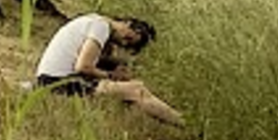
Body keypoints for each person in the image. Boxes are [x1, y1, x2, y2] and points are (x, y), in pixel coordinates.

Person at [32, 13, 185, 126]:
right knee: (136, 90)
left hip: (52, 78)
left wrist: (115, 69)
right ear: (128, 23)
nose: (124, 43)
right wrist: (111, 75)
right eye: (129, 38)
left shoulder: (93, 20)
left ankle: (176, 121)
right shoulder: (100, 27)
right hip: (57, 82)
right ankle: (184, 123)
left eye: (128, 45)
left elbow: (85, 60)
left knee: (127, 89)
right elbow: (83, 67)